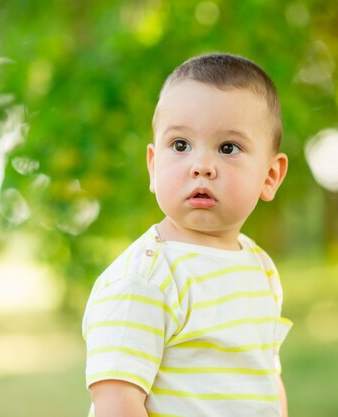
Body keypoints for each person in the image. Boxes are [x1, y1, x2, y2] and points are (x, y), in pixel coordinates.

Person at [82, 52, 292, 417]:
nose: (202, 166)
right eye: (180, 145)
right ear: (153, 165)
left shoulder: (260, 267)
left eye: (228, 148)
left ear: (270, 176)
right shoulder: (144, 280)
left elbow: (265, 377)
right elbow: (116, 403)